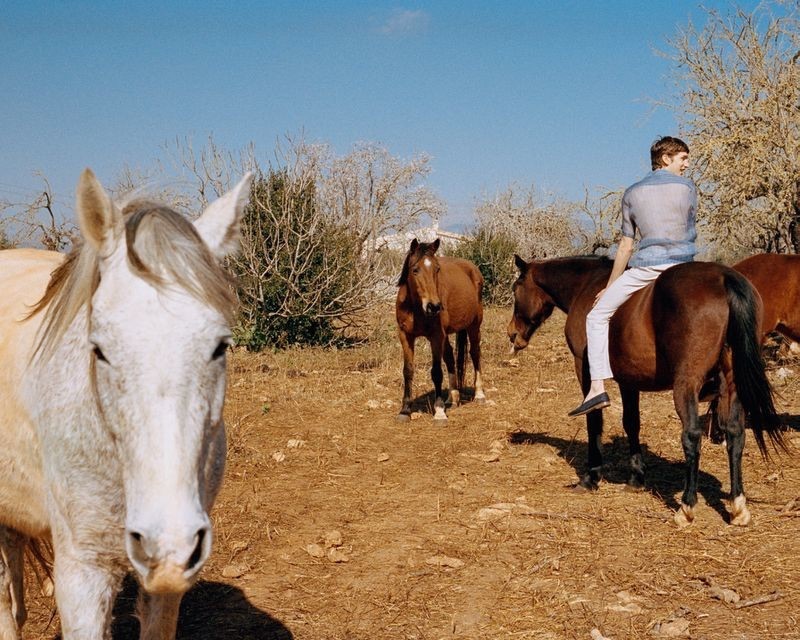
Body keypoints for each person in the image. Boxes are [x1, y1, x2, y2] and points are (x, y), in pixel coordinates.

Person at [568, 136, 697, 417]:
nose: (687, 164)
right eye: (683, 158)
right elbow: (687, 226)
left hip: (647, 267)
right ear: (666, 159)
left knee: (596, 316)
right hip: (685, 266)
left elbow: (627, 245)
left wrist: (611, 284)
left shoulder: (632, 193)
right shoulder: (688, 187)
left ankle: (597, 388)